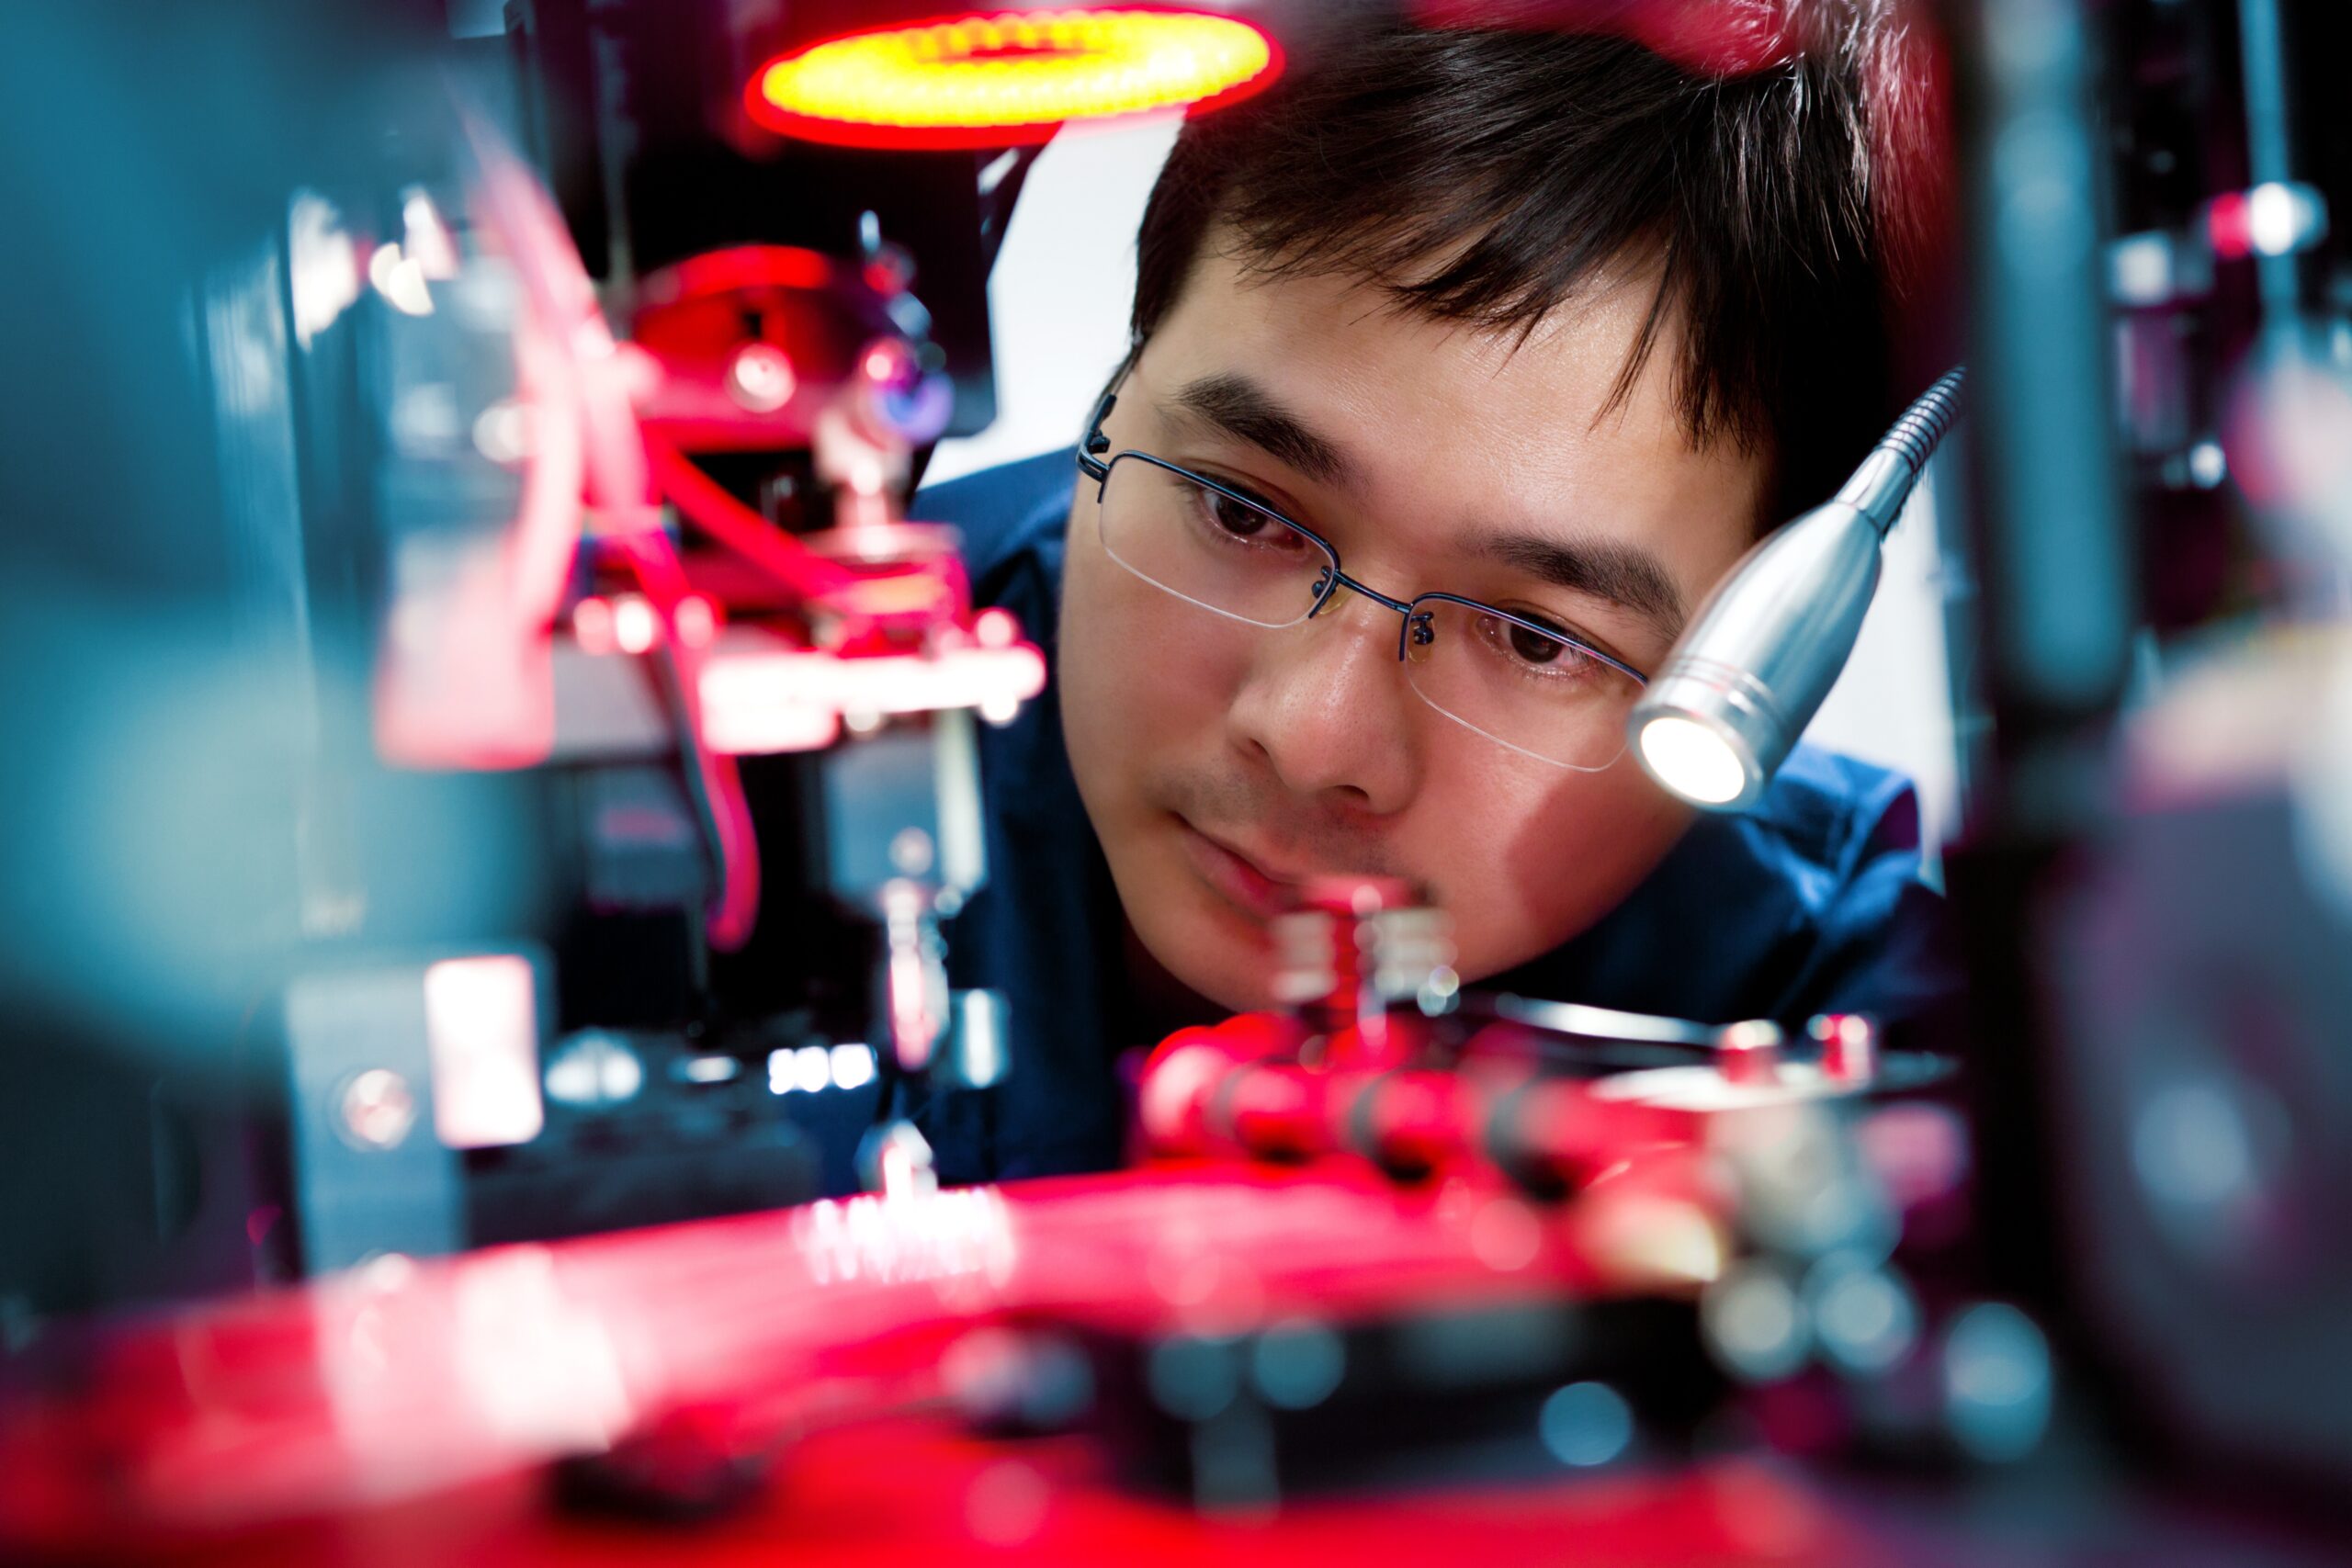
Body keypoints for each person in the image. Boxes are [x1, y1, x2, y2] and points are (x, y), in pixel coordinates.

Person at [916, 7, 1953, 1180]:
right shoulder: (731, 751)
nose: (1312, 741)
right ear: (1118, 387)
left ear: (1761, 670)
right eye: (1244, 512)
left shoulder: (1822, 1000)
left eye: (1531, 638)